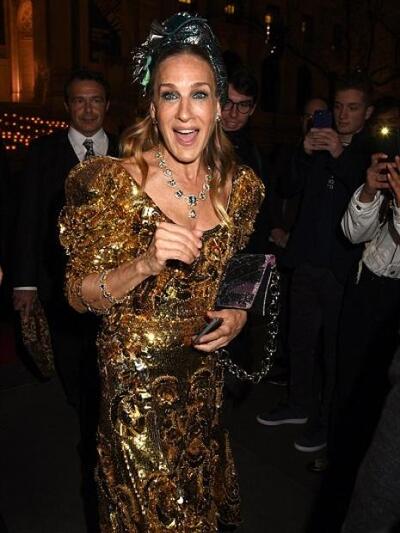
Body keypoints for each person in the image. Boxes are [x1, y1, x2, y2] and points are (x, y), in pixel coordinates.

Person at [59, 12, 264, 532]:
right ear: (152, 107)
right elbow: (79, 294)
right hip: (137, 395)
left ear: (219, 106)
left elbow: (240, 261)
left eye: (200, 95)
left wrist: (237, 311)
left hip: (203, 387)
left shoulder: (241, 186)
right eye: (170, 95)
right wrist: (145, 263)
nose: (185, 113)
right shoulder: (115, 184)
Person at [12, 68, 118, 531]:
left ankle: (102, 425)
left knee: (110, 362)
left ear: (107, 105)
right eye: (79, 101)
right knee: (74, 364)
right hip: (61, 287)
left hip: (117, 287)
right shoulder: (43, 153)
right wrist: (24, 283)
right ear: (68, 106)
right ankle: (87, 416)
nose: (88, 109)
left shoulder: (129, 151)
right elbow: (27, 219)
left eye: (96, 100)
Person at [256, 73, 373, 453]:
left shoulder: (371, 152)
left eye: (352, 107)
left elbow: (367, 196)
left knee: (334, 352)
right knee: (300, 341)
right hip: (307, 261)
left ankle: (327, 421)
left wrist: (340, 155)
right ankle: (298, 404)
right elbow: (286, 187)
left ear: (368, 112)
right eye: (338, 106)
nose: (343, 114)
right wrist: (304, 152)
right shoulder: (319, 144)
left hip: (343, 269)